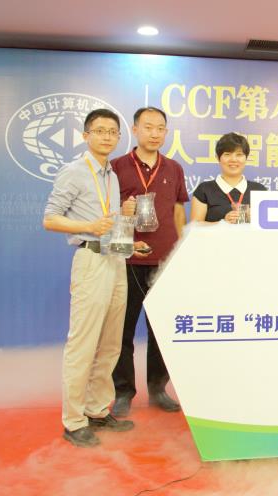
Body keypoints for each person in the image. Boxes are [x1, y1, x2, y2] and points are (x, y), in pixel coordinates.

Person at [43, 108, 147, 447]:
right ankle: (74, 421)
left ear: (118, 137)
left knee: (111, 343)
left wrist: (129, 239)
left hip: (115, 259)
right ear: (86, 135)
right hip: (90, 259)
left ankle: (97, 409)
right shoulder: (74, 171)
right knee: (83, 343)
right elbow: (51, 219)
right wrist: (88, 226)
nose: (106, 137)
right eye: (100, 131)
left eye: (112, 132)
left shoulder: (111, 175)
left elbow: (109, 224)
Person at [110, 107, 189, 417]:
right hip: (127, 259)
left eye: (160, 128)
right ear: (134, 130)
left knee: (161, 330)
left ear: (166, 133)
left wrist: (180, 250)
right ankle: (123, 392)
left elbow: (179, 211)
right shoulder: (116, 167)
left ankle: (158, 388)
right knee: (123, 329)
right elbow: (107, 213)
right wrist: (123, 212)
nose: (154, 133)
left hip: (164, 261)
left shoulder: (174, 168)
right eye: (148, 127)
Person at [190, 133, 267, 223]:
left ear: (246, 158)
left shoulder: (259, 190)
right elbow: (195, 225)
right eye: (227, 154)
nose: (233, 159)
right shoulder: (204, 190)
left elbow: (269, 225)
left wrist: (255, 218)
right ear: (218, 158)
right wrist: (222, 223)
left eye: (239, 154)